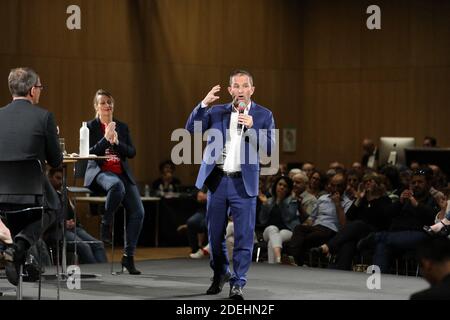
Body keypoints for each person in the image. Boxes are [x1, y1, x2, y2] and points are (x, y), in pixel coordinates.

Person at [185, 69, 275, 300]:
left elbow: (269, 150)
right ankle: (220, 273)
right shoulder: (216, 112)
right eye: (237, 86)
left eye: (245, 86)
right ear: (230, 90)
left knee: (244, 236)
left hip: (243, 183)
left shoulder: (264, 115)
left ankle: (238, 282)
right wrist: (203, 104)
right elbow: (191, 130)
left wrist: (253, 127)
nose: (241, 90)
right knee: (214, 236)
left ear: (252, 90)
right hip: (218, 180)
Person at [0, 67, 63, 286]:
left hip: (1, 195)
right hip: (30, 194)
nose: (40, 91)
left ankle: (16, 252)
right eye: (40, 87)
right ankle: (20, 245)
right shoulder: (44, 117)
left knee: (20, 213)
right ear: (31, 90)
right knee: (55, 205)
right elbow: (56, 162)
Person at [83, 89, 144, 274]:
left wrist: (117, 142)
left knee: (138, 212)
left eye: (109, 102)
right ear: (96, 107)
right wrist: (105, 139)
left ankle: (128, 257)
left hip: (121, 173)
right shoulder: (89, 127)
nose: (107, 106)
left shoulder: (122, 127)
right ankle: (106, 222)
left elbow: (132, 152)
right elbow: (88, 152)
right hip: (101, 173)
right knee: (116, 186)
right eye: (103, 103)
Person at [47, 167, 107, 264]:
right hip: (55, 230)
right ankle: (95, 271)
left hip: (71, 228)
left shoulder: (63, 193)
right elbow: (45, 219)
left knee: (98, 244)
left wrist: (74, 222)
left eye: (62, 179)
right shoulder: (45, 195)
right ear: (49, 177)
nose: (60, 182)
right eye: (57, 178)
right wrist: (62, 224)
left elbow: (71, 213)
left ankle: (104, 273)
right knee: (84, 246)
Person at [259, 176, 299, 264]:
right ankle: (279, 258)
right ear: (275, 186)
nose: (282, 187)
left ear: (288, 190)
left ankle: (275, 262)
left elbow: (289, 217)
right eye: (280, 184)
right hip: (268, 231)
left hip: (287, 230)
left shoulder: (293, 201)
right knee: (273, 229)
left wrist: (281, 202)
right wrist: (265, 205)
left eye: (285, 186)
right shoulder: (268, 201)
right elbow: (262, 220)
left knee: (272, 241)